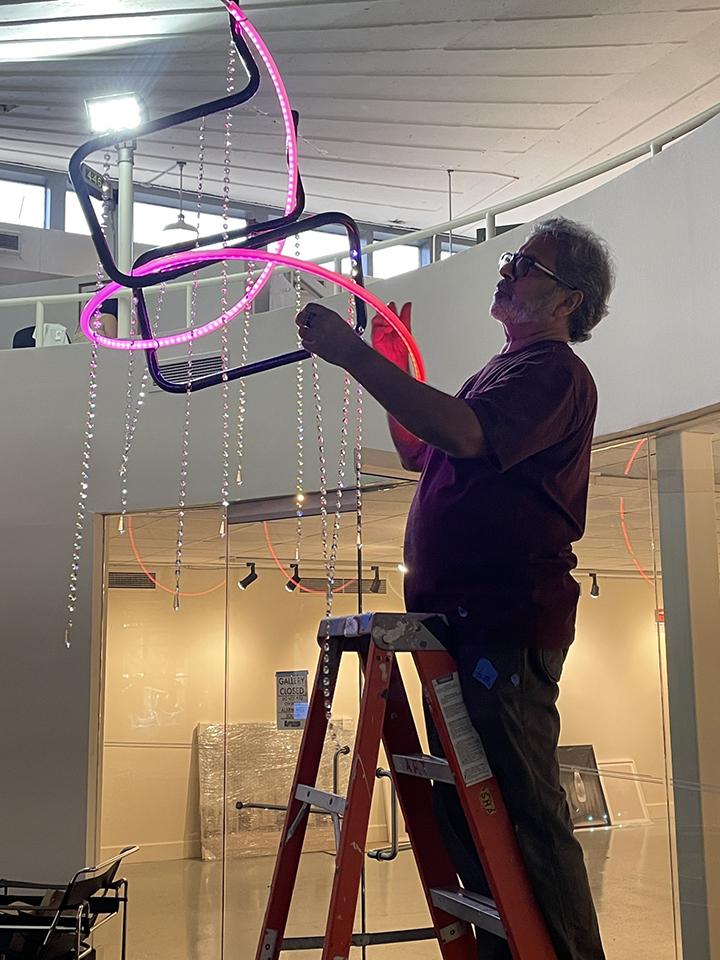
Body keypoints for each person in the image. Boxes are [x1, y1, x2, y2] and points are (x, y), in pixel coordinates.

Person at [295, 216, 614, 960]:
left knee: (522, 817)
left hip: (503, 627)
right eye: (511, 258)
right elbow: (423, 447)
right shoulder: (500, 371)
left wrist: (354, 356)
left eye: (525, 264)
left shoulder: (554, 373)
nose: (506, 270)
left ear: (568, 300)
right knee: (477, 816)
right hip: (467, 627)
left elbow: (465, 434)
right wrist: (382, 366)